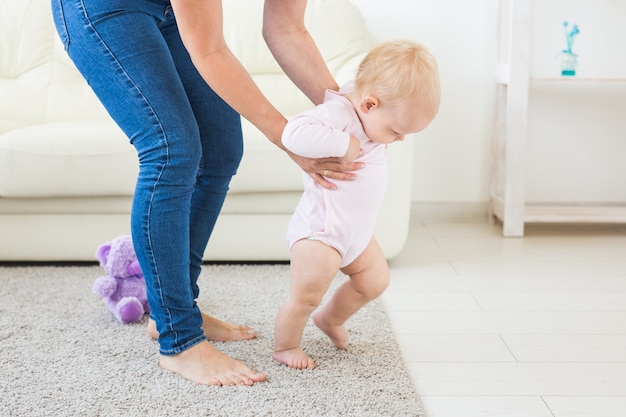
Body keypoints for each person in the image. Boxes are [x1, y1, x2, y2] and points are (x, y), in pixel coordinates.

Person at [51, 0, 363, 387]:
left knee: (221, 148)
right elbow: (209, 49)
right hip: (103, 7)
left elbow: (287, 29)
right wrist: (289, 139)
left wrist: (352, 120)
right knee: (171, 150)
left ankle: (177, 309)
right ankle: (179, 339)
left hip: (166, 8)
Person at [273, 40, 441, 369]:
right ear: (368, 104)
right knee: (305, 295)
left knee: (375, 281)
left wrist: (386, 131)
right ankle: (286, 346)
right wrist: (342, 142)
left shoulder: (371, 116)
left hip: (356, 234)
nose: (400, 138)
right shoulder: (340, 115)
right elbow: (294, 132)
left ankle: (330, 319)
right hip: (320, 233)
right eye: (396, 130)